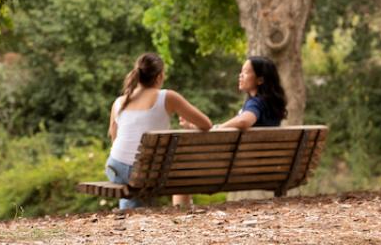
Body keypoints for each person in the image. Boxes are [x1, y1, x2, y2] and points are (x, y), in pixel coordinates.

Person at [106, 53, 213, 210]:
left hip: (115, 167)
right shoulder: (167, 97)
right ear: (159, 76)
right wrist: (190, 126)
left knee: (134, 185)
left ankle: (128, 216)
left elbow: (114, 138)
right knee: (155, 173)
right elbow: (206, 124)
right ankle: (178, 211)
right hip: (147, 171)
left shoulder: (119, 102)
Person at [216, 56, 287, 130]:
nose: (241, 75)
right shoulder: (270, 104)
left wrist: (219, 127)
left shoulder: (256, 103)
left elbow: (244, 121)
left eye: (246, 72)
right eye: (241, 72)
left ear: (260, 80)